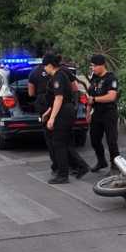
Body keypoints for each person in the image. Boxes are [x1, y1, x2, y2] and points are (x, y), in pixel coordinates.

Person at [42, 54, 90, 184]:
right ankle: (81, 166)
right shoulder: (60, 75)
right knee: (66, 143)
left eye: (44, 66)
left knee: (59, 143)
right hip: (64, 110)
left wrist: (52, 118)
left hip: (63, 112)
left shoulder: (58, 77)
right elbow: (54, 100)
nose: (44, 68)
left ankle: (63, 175)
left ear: (50, 65)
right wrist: (48, 113)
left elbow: (59, 98)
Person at [86, 54, 119, 173]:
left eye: (94, 66)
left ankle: (115, 166)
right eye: (92, 66)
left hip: (109, 112)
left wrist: (94, 100)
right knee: (94, 139)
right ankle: (101, 161)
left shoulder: (111, 78)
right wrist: (88, 112)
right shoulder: (94, 78)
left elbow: (111, 96)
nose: (93, 68)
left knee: (111, 140)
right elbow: (90, 95)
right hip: (97, 113)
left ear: (102, 65)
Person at [28, 59, 58, 175]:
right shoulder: (61, 72)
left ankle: (56, 165)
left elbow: (30, 93)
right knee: (62, 138)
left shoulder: (33, 73)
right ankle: (69, 164)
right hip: (61, 106)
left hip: (43, 104)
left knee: (50, 138)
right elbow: (74, 88)